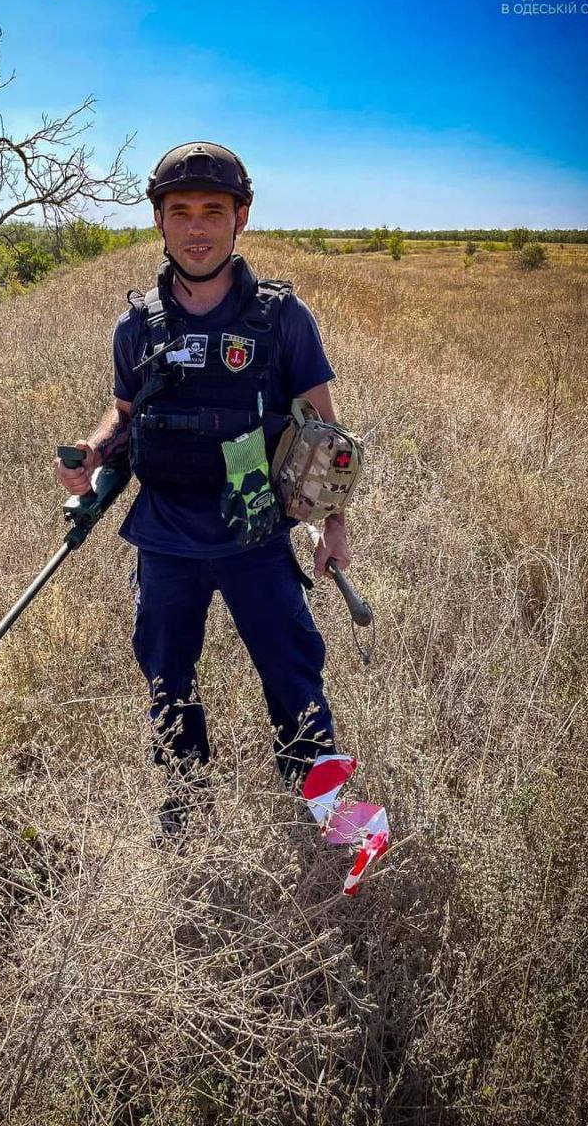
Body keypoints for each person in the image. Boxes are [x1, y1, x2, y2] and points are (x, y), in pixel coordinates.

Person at [54, 142, 351, 838]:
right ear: (159, 221)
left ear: (240, 218)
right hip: (165, 534)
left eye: (212, 212)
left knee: (293, 676)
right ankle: (185, 804)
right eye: (179, 212)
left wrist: (332, 527)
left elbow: (325, 434)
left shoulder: (283, 320)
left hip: (255, 534)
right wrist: (97, 449)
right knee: (165, 676)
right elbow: (124, 412)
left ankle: (332, 815)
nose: (196, 228)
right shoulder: (138, 326)